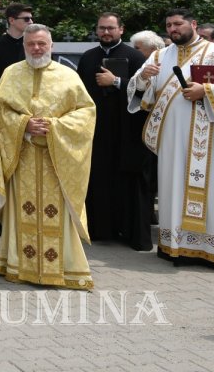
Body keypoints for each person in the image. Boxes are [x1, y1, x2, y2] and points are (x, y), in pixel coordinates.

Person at [0, 23, 95, 290]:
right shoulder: (11, 74)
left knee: (56, 214)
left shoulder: (68, 76)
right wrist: (24, 124)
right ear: (24, 46)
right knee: (21, 211)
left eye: (42, 44)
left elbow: (86, 112)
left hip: (56, 159)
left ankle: (63, 267)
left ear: (52, 45)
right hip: (22, 156)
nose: (37, 49)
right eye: (31, 44)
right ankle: (18, 266)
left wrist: (54, 127)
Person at [129, 8, 214, 269]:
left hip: (212, 138)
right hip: (172, 139)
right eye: (168, 25)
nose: (173, 29)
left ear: (193, 24)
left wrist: (207, 90)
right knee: (173, 187)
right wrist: (143, 77)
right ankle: (176, 246)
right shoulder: (160, 55)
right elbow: (139, 88)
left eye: (178, 24)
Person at [76, 12, 153, 250]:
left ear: (121, 29)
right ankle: (100, 229)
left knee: (127, 182)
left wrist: (118, 82)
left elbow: (147, 93)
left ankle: (129, 232)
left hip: (127, 132)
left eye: (111, 28)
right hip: (97, 132)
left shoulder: (136, 57)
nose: (106, 32)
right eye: (102, 28)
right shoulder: (89, 57)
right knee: (98, 181)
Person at [0, 3, 33, 95]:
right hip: (1, 100)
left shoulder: (33, 45)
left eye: (31, 18)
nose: (31, 22)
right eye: (26, 19)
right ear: (11, 20)